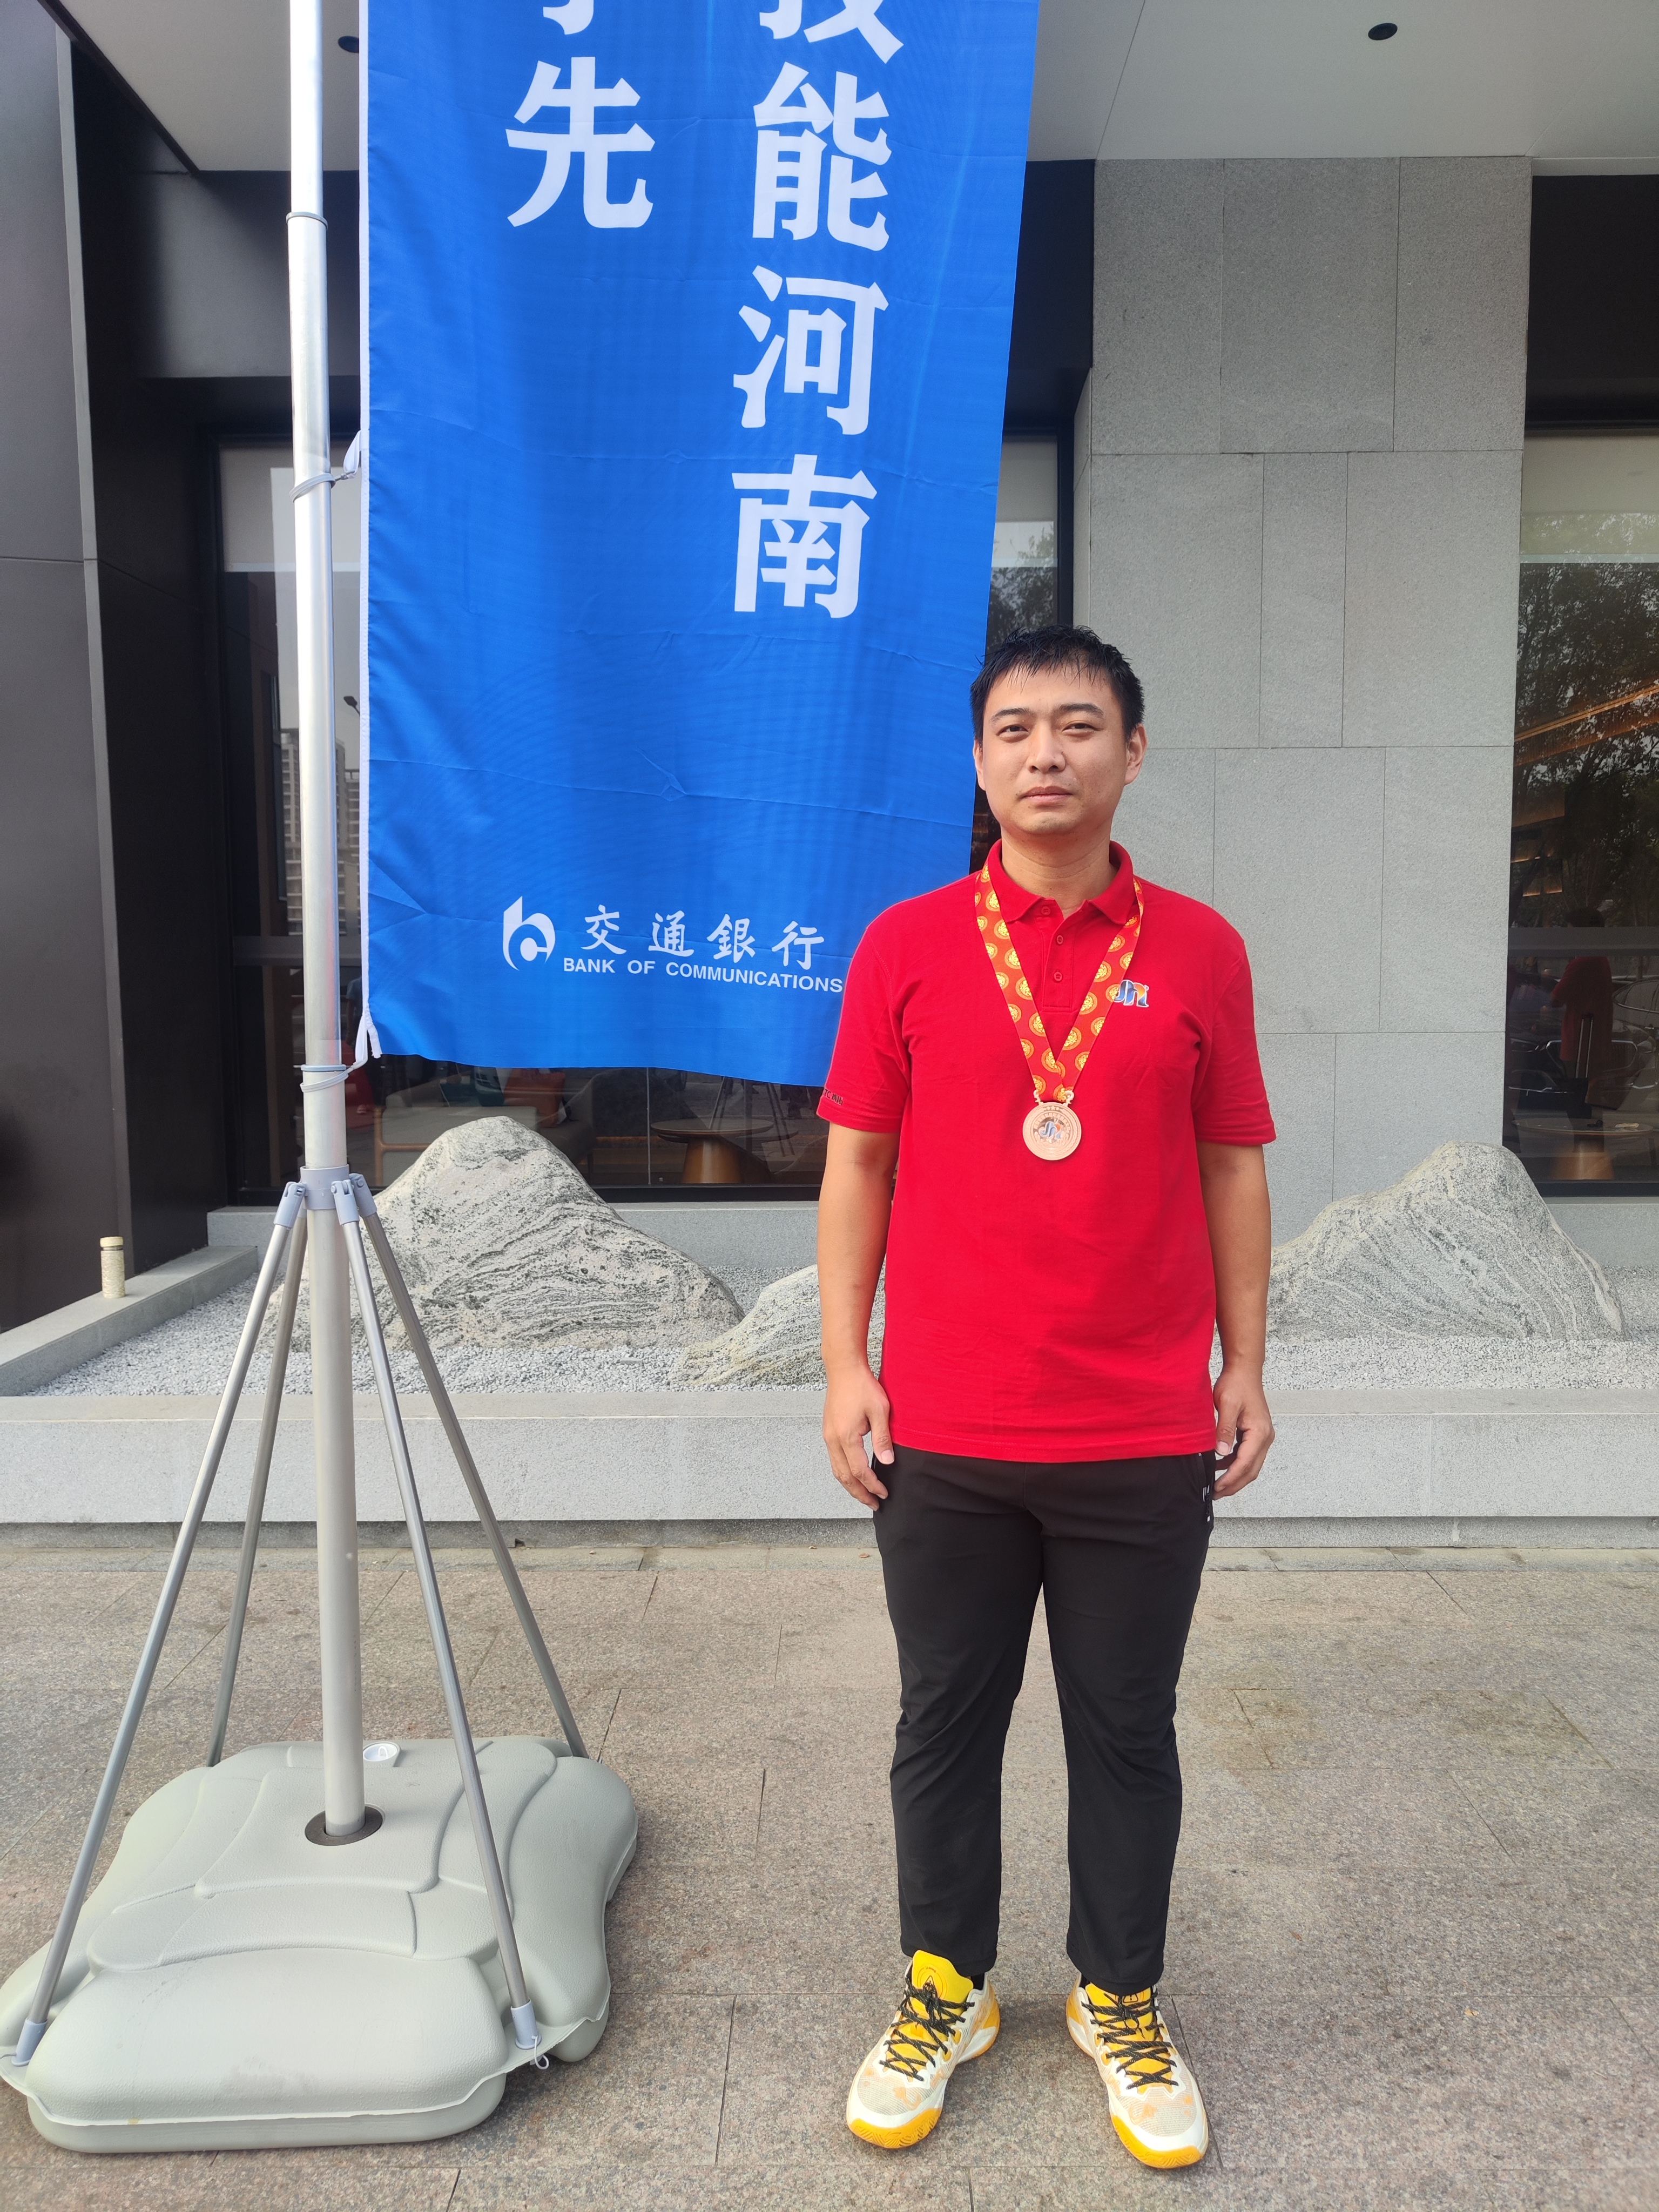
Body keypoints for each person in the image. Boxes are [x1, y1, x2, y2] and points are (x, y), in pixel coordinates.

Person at [816, 625, 1276, 2171]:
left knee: (1127, 1728)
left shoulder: (1201, 950)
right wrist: (845, 1365)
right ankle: (944, 1987)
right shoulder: (908, 945)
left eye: (1079, 725)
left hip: (1140, 1427)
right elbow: (858, 1163)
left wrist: (1245, 1366)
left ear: (1132, 753)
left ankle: (1117, 1995)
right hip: (946, 1426)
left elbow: (1232, 1165)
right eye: (1014, 728)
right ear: (979, 761)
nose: (1045, 753)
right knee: (944, 1719)